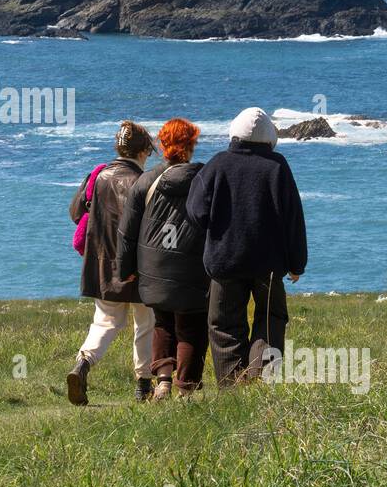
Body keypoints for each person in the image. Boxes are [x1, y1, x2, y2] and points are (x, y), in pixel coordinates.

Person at [186, 107, 307, 386]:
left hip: (225, 260)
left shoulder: (217, 164)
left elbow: (195, 212)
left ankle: (232, 386)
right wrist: (297, 263)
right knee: (270, 319)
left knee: (225, 325)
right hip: (269, 264)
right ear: (269, 137)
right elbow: (293, 219)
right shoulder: (278, 167)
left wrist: (217, 228)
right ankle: (259, 379)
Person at [115, 118, 209, 401]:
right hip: (194, 267)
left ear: (162, 145)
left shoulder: (146, 181)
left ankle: (164, 381)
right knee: (192, 326)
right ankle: (186, 387)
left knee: (163, 322)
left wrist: (125, 269)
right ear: (191, 145)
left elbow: (127, 232)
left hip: (154, 267)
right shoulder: (204, 178)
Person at [66, 120, 157, 405]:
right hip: (140, 266)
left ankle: (82, 364)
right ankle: (143, 385)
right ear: (143, 151)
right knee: (146, 323)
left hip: (102, 264)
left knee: (105, 322)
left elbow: (74, 213)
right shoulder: (145, 181)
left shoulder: (98, 175)